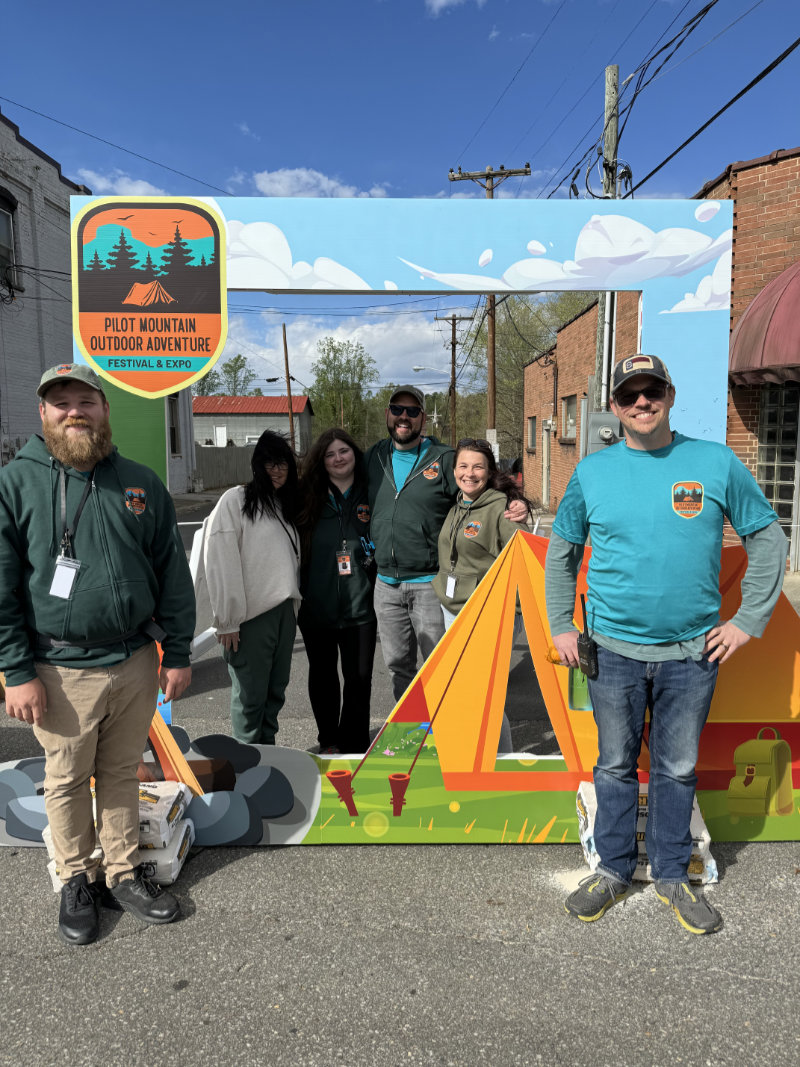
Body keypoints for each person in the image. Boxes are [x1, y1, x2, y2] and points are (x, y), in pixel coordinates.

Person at [546, 354, 788, 935]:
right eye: (629, 395)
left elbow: (768, 537)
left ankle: (673, 875)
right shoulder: (593, 472)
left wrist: (746, 620)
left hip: (692, 654)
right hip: (613, 651)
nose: (641, 403)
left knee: (677, 769)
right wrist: (561, 624)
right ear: (615, 407)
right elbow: (561, 550)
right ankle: (612, 870)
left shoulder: (713, 461)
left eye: (652, 391)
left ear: (671, 396)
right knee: (614, 765)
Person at [0, 363, 195, 946]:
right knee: (65, 779)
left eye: (85, 400)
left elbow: (172, 573)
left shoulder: (138, 482)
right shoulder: (16, 484)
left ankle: (121, 872)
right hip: (57, 668)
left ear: (105, 408)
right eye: (61, 403)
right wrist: (14, 671)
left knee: (118, 772)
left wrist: (178, 652)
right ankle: (76, 880)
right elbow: (3, 585)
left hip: (134, 660)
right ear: (43, 414)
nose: (74, 411)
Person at [366, 387, 528, 703]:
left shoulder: (442, 459)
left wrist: (514, 502)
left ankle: (444, 729)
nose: (404, 417)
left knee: (441, 665)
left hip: (430, 584)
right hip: (385, 585)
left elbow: (478, 486)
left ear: (423, 419)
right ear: (388, 414)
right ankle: (412, 730)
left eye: (413, 411)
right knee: (398, 666)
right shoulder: (374, 457)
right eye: (398, 409)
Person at [433, 437, 532, 752]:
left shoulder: (500, 509)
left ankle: (500, 758)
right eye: (463, 466)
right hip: (453, 611)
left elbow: (521, 561)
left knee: (483, 693)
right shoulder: (458, 503)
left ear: (490, 473)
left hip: (486, 616)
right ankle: (473, 753)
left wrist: (512, 615)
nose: (469, 473)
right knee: (464, 691)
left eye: (478, 467)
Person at [203, 430, 301, 746]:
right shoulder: (237, 500)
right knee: (250, 696)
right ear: (257, 464)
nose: (277, 470)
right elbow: (220, 560)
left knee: (275, 691)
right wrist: (227, 620)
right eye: (269, 463)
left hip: (284, 612)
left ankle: (266, 753)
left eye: (283, 463)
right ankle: (246, 760)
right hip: (251, 618)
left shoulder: (283, 505)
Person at [297, 429, 376, 754]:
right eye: (330, 454)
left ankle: (355, 743)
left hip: (362, 607)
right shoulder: (306, 496)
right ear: (322, 461)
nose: (338, 458)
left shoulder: (372, 491)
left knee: (359, 679)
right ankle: (329, 740)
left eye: (344, 451)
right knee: (324, 678)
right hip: (317, 608)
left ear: (355, 454)